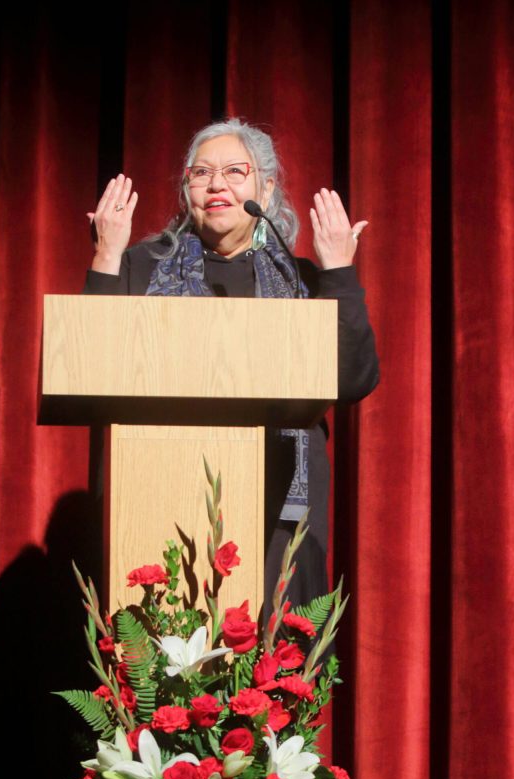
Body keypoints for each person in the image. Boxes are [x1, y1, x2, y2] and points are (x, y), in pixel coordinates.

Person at [84, 118, 379, 614]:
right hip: (159, 487)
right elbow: (91, 365)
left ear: (265, 186)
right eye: (200, 173)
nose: (216, 184)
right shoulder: (140, 267)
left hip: (282, 502)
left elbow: (353, 378)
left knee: (276, 661)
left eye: (233, 171)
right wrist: (106, 254)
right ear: (186, 190)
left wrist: (339, 274)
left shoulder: (300, 278)